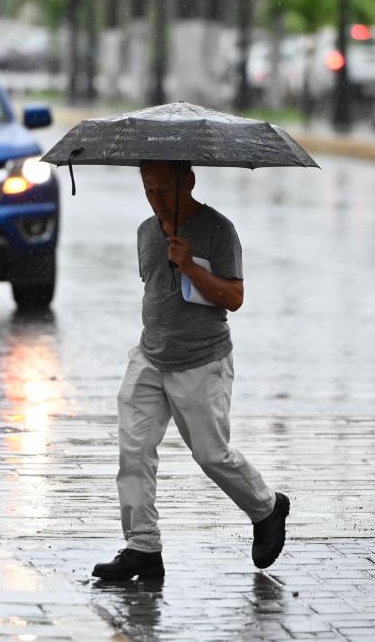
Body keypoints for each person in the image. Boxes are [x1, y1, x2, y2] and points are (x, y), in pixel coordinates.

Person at [92, 160, 290, 581]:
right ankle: (142, 546)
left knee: (211, 454)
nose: (155, 198)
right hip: (150, 355)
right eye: (148, 189)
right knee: (134, 451)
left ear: (189, 182)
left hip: (202, 359)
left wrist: (192, 266)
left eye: (163, 189)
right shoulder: (147, 231)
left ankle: (267, 507)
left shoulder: (219, 230)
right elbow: (156, 290)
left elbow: (234, 297)